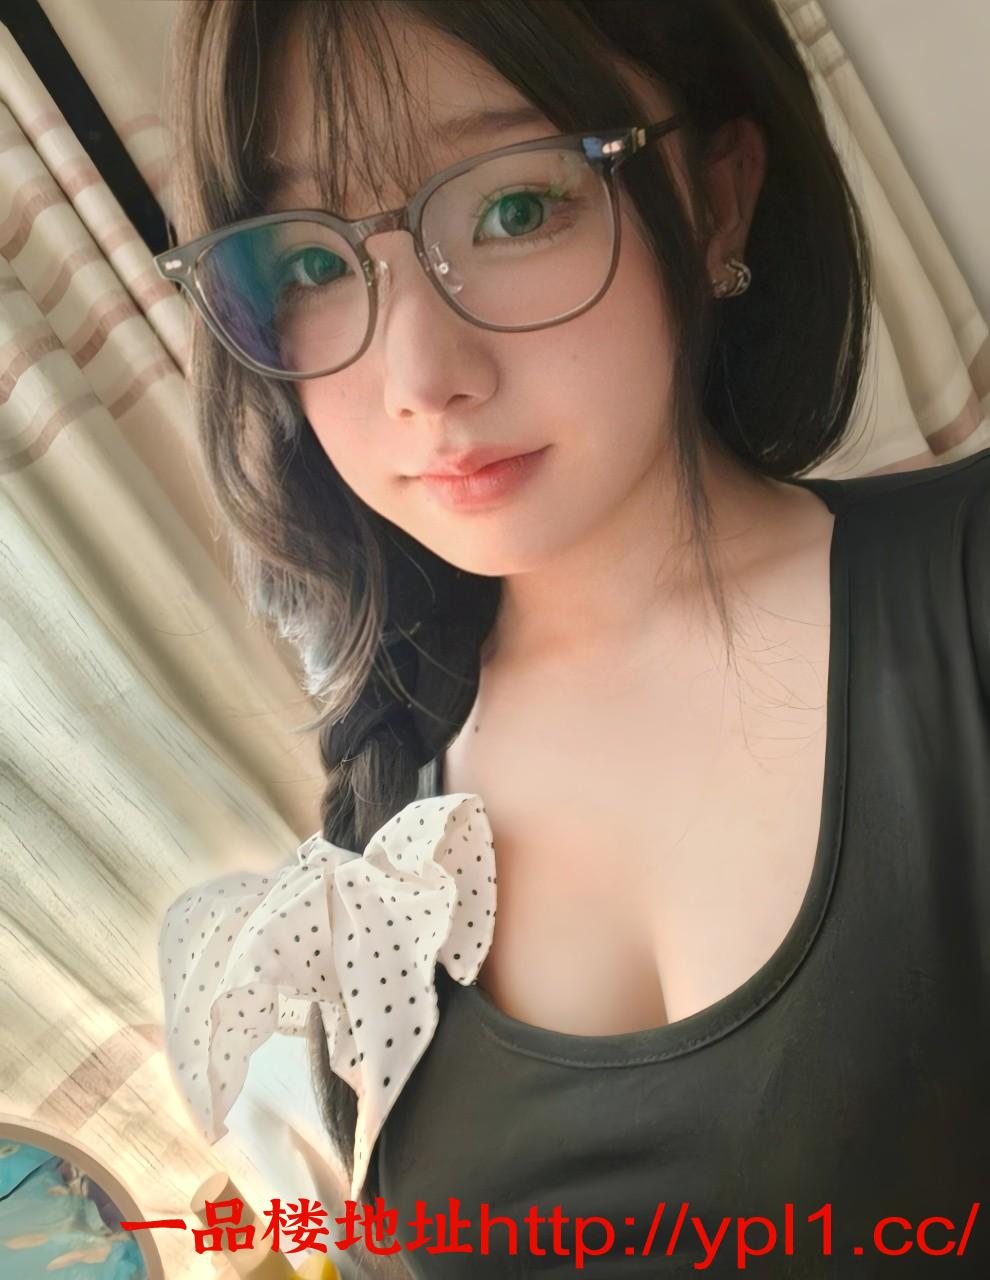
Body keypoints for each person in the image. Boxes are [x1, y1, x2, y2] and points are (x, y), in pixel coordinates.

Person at [155, 2, 990, 1275]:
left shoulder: (964, 593)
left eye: (514, 206)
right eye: (312, 265)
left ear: (716, 199)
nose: (421, 376)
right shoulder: (385, 803)